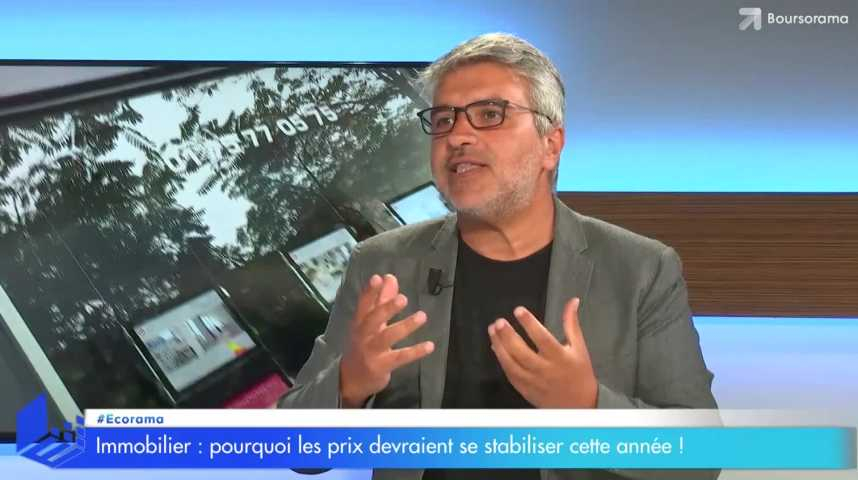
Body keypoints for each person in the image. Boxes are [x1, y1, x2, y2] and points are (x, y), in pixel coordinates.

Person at [279, 33, 718, 480]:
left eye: (490, 114)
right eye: (444, 119)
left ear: (551, 144)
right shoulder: (381, 265)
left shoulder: (642, 269)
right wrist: (348, 384)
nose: (458, 136)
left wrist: (588, 407)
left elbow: (701, 459)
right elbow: (292, 446)